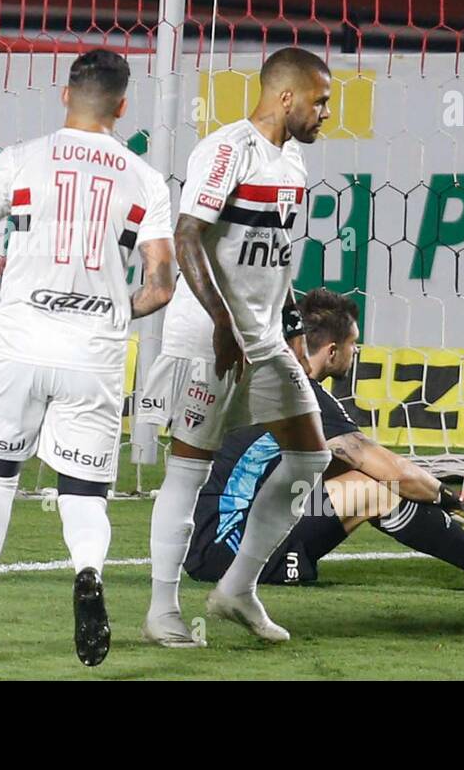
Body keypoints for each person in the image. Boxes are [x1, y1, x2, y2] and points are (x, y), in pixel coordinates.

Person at [0, 49, 176, 667]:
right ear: (122, 107)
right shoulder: (143, 178)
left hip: (21, 343)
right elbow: (162, 282)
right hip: (92, 353)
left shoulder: (17, 160)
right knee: (84, 493)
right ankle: (88, 570)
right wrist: (116, 311)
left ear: (65, 95)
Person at [184, 288, 464, 598]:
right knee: (373, 488)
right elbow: (389, 471)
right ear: (332, 349)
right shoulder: (299, 393)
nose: (356, 353)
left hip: (225, 535)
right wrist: (448, 499)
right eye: (354, 344)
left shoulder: (274, 378)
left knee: (364, 480)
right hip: (226, 551)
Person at [140, 46, 333, 648]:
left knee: (309, 459)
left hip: (264, 338)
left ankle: (237, 589)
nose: (325, 113)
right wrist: (223, 324)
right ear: (285, 96)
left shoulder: (295, 162)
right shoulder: (227, 149)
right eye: (319, 101)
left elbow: (270, 259)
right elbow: (188, 235)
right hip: (209, 338)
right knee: (188, 471)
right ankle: (161, 610)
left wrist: (291, 325)